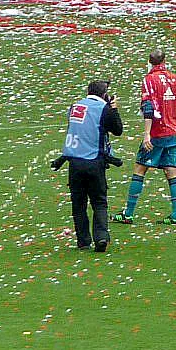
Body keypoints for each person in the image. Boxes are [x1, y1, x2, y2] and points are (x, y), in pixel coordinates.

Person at [112, 50, 176, 225]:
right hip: (174, 132)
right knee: (171, 171)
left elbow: (149, 109)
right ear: (165, 60)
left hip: (157, 133)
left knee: (139, 169)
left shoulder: (149, 80)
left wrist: (147, 135)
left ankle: (128, 213)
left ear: (150, 62)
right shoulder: (175, 79)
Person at [53, 80, 123, 252]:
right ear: (104, 95)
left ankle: (83, 241)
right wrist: (114, 110)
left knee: (78, 204)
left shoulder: (75, 107)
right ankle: (101, 237)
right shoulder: (103, 109)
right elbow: (117, 130)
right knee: (99, 202)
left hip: (74, 162)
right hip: (94, 161)